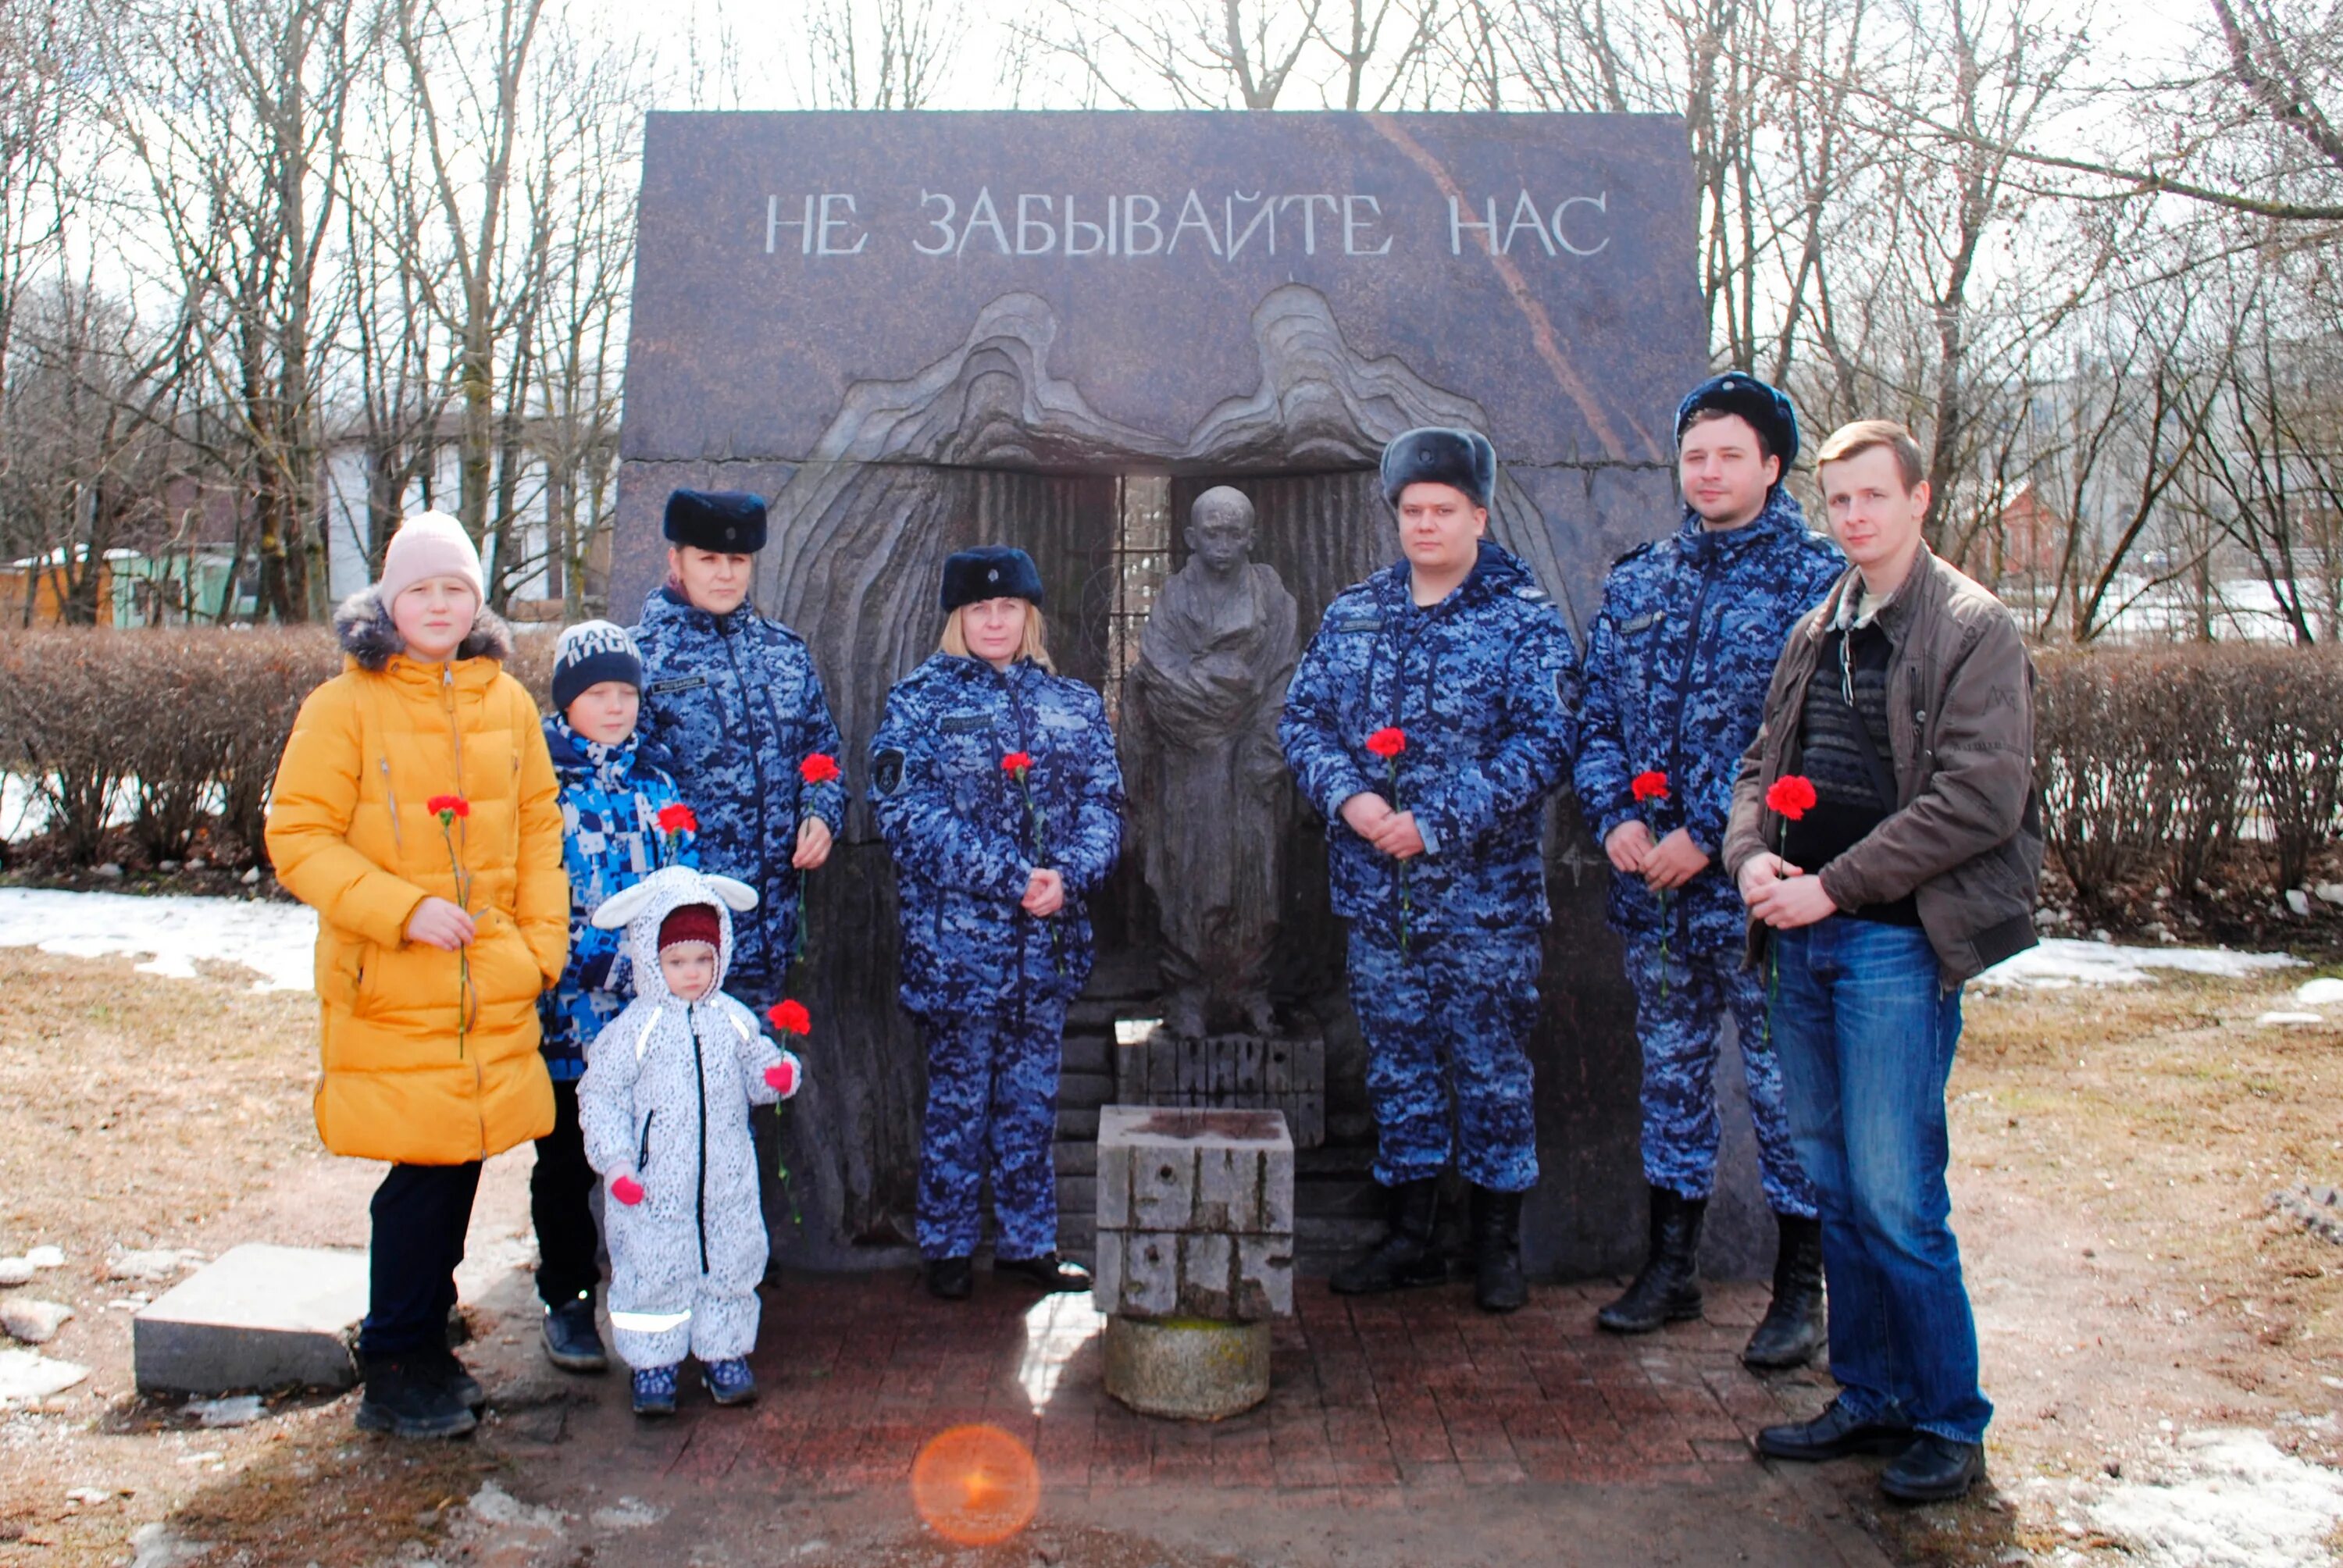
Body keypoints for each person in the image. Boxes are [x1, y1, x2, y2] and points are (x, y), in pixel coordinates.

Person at [1724, 419, 2041, 1503]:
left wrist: (1833, 885)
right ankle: (1869, 1398)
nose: (1854, 515)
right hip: (1802, 944)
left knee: (1900, 1195)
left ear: (1918, 498)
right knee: (1840, 1188)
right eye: (1839, 499)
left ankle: (1949, 1420)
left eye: (1873, 495)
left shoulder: (1971, 629)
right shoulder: (1821, 623)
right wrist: (1753, 856)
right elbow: (1763, 761)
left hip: (1895, 950)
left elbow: (1978, 800)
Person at [266, 511, 567, 1440]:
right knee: (422, 1172)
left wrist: (538, 950)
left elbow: (539, 826)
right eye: (421, 590)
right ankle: (396, 1362)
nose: (439, 606)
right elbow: (298, 836)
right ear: (389, 602)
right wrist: (399, 909)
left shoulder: (506, 701)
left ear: (476, 601)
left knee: (466, 1154)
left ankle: (426, 1340)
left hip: (489, 982)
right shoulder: (344, 705)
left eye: (456, 590)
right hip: (398, 983)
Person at [1574, 372, 1842, 1367]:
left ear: (1772, 466)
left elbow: (1821, 742)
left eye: (1731, 455)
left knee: (1782, 1091)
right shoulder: (1641, 580)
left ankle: (1798, 1288)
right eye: (1695, 455)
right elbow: (1595, 713)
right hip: (1655, 899)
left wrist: (1705, 832)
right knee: (1672, 1079)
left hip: (1763, 895)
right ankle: (1670, 1268)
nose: (1710, 472)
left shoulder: (1821, 584)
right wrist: (1616, 818)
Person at [1278, 428, 1578, 1314]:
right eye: (1412, 511)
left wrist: (1437, 823)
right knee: (1398, 1065)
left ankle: (1495, 1244)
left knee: (1490, 1067)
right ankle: (1408, 1233)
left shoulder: (1522, 619)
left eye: (1444, 510)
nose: (1426, 525)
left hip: (1484, 902)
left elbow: (1548, 741)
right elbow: (1304, 721)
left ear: (1479, 516)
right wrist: (1351, 801)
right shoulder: (1356, 613)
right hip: (1379, 901)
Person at [868, 547, 1125, 1301]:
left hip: (1045, 947)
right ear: (957, 617)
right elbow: (907, 815)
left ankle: (1027, 1241)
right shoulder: (918, 703)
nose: (994, 620)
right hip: (958, 950)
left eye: (1007, 607)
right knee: (956, 1099)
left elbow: (1106, 808)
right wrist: (1013, 879)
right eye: (979, 609)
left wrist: (1068, 876)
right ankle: (946, 1245)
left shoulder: (1071, 704)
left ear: (1029, 615)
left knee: (1030, 1099)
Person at [531, 620, 699, 1376]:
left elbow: (684, 886)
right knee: (567, 1162)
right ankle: (566, 1300)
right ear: (568, 700)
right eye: (598, 692)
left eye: (626, 692)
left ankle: (657, 1295)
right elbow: (529, 894)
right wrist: (597, 963)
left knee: (654, 1161)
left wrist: (669, 966)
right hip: (567, 1016)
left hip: (648, 1017)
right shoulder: (536, 784)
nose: (614, 706)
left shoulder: (659, 784)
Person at [576, 866, 803, 1416]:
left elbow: (759, 1065)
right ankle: (652, 1363)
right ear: (652, 959)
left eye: (705, 959)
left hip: (725, 1179)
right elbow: (600, 1098)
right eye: (677, 962)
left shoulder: (733, 1019)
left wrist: (779, 1074)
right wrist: (618, 1163)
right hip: (653, 1185)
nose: (694, 973)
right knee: (652, 1269)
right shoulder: (633, 1031)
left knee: (731, 1259)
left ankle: (724, 1352)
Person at [629, 489, 846, 1010]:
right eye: (708, 559)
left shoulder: (785, 654)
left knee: (761, 1085)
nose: (725, 574)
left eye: (738, 560)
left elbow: (823, 755)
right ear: (675, 561)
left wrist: (820, 814)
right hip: (681, 944)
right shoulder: (640, 659)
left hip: (771, 938)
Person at [1122, 485, 1299, 1037]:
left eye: (1233, 532)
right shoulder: (1174, 600)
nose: (1223, 544)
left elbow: (1285, 682)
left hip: (1254, 764)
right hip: (1189, 764)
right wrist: (1213, 693)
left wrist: (1262, 746)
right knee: (1187, 877)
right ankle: (1189, 992)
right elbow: (1156, 676)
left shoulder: (1275, 601)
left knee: (1259, 881)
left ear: (1252, 536)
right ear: (1191, 538)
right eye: (1212, 533)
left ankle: (1251, 987)